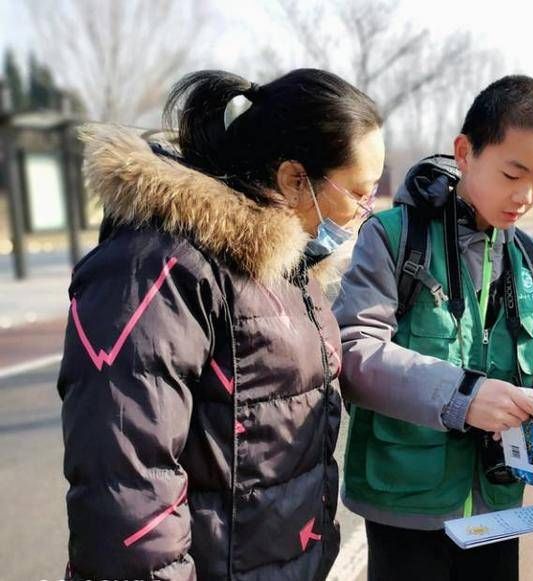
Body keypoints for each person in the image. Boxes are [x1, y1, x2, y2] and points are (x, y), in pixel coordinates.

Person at [57, 68, 384, 580]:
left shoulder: (289, 268)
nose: (368, 212)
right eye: (360, 194)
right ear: (294, 179)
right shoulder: (156, 269)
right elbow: (127, 491)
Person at [333, 75, 533, 581]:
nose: (525, 196)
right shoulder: (394, 237)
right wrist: (462, 395)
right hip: (407, 507)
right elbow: (353, 351)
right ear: (465, 152)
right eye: (512, 173)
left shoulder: (528, 256)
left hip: (499, 508)